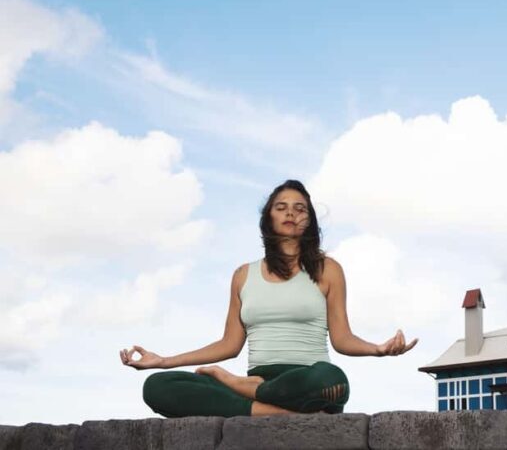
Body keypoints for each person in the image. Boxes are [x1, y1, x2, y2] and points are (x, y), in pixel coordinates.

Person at [120, 179, 417, 417]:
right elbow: (229, 344)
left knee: (333, 382)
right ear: (269, 217)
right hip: (259, 382)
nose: (291, 213)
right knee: (157, 387)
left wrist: (378, 349)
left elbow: (342, 339)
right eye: (281, 207)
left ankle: (244, 391)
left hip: (307, 382)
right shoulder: (243, 275)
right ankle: (269, 409)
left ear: (309, 221)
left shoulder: (329, 270)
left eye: (300, 209)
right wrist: (163, 361)